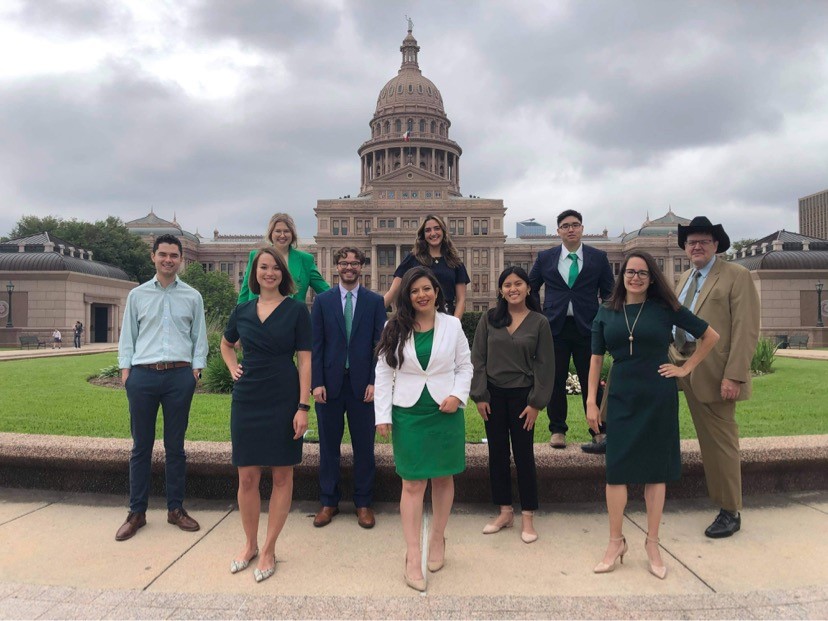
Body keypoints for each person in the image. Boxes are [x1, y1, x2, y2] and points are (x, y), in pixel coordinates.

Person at [586, 251, 719, 579]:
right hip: (621, 396)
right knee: (615, 471)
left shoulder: (664, 308)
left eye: (642, 273)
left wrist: (685, 368)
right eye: (630, 272)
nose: (635, 277)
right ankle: (615, 542)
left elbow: (710, 336)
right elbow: (595, 359)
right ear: (622, 276)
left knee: (655, 471)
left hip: (658, 395)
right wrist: (591, 400)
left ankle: (652, 543)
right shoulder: (606, 312)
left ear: (651, 277)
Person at [375, 266, 473, 592]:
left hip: (444, 410)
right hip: (409, 413)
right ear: (408, 296)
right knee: (413, 484)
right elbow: (384, 373)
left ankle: (438, 538)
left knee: (444, 478)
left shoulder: (453, 325)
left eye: (426, 289)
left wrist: (458, 395)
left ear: (435, 291)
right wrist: (382, 415)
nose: (421, 295)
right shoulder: (394, 327)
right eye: (415, 290)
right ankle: (412, 553)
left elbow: (465, 366)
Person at [220, 246, 312, 583]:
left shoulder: (297, 311)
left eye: (275, 267)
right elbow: (226, 344)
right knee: (246, 476)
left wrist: (303, 407)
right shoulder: (242, 310)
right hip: (248, 398)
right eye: (263, 267)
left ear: (283, 274)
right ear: (254, 273)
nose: (269, 272)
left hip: (284, 396)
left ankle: (270, 548)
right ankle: (249, 544)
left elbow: (305, 361)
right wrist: (232, 368)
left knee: (282, 475)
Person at [669, 216, 760, 539]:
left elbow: (746, 328)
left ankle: (729, 510)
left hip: (711, 365)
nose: (696, 246)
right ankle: (608, 428)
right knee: (630, 364)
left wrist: (734, 376)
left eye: (703, 241)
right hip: (677, 356)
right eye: (691, 242)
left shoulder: (737, 276)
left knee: (719, 442)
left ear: (716, 245)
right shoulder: (684, 278)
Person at [116, 234, 208, 542]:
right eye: (163, 254)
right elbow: (128, 335)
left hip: (179, 376)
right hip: (142, 376)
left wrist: (195, 371)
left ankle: (175, 509)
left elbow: (200, 337)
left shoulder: (193, 296)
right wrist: (127, 372)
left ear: (181, 259)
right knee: (140, 447)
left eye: (173, 255)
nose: (168, 259)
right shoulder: (138, 295)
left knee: (175, 447)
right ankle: (137, 512)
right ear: (153, 257)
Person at [470, 266, 555, 544]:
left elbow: (545, 366)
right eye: (507, 285)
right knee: (497, 454)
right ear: (501, 290)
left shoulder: (539, 322)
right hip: (493, 397)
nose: (513, 289)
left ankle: (528, 516)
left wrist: (536, 404)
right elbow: (478, 359)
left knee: (523, 455)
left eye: (518, 283)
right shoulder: (489, 319)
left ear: (528, 288)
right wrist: (480, 395)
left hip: (523, 399)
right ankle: (504, 511)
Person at [311, 247, 386, 529]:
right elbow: (315, 346)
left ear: (362, 267)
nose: (349, 267)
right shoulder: (322, 301)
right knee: (328, 447)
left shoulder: (374, 301)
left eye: (354, 263)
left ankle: (364, 503)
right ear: (336, 267)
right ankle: (328, 502)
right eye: (344, 263)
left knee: (364, 447)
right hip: (328, 386)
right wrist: (315, 382)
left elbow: (380, 346)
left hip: (362, 386)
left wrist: (373, 381)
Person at [529, 210, 614, 452]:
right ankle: (557, 429)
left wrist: (603, 319)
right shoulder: (546, 258)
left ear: (582, 228)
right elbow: (531, 286)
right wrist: (539, 315)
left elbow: (609, 293)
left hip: (589, 328)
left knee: (593, 379)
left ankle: (598, 430)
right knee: (555, 381)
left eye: (575, 225)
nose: (570, 229)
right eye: (565, 226)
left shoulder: (598, 257)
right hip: (554, 327)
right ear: (558, 231)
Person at [383, 214, 469, 318]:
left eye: (437, 228)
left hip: (446, 317)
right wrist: (373, 311)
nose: (433, 233)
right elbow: (393, 291)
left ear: (443, 231)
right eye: (428, 230)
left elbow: (461, 300)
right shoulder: (413, 258)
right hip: (417, 318)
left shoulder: (455, 261)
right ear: (423, 235)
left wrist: (454, 325)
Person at [238, 212, 329, 304]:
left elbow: (326, 292)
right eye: (278, 231)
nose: (282, 235)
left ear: (292, 234)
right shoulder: (255, 256)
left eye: (286, 231)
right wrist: (239, 315)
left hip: (293, 316)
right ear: (271, 234)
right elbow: (245, 292)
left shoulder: (306, 260)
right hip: (257, 315)